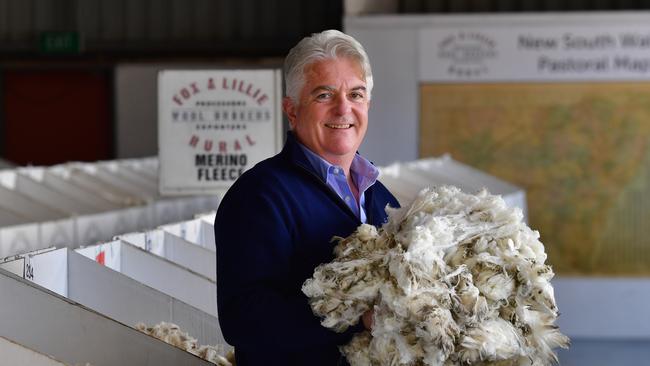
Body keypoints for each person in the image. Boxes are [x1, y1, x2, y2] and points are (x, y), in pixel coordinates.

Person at [214, 29, 399, 366]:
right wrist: (356, 315)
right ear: (292, 110)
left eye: (356, 95)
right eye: (324, 95)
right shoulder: (259, 196)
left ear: (367, 105)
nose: (344, 109)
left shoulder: (379, 196)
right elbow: (243, 320)